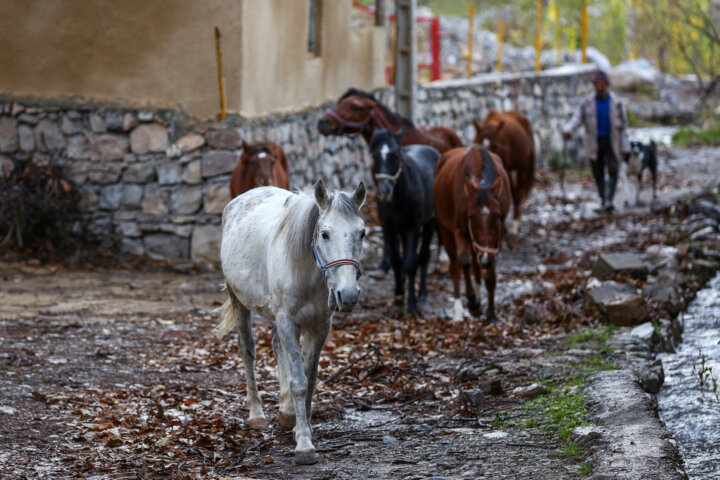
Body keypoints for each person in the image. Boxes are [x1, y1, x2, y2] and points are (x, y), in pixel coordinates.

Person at [563, 71, 629, 212]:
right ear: (594, 85)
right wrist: (568, 129)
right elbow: (577, 119)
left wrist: (625, 145)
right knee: (598, 172)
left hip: (612, 141)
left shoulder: (616, 102)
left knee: (613, 169)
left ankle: (609, 200)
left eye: (602, 84)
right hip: (594, 142)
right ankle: (603, 199)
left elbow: (624, 125)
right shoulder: (587, 103)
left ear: (606, 84)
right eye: (596, 84)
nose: (599, 87)